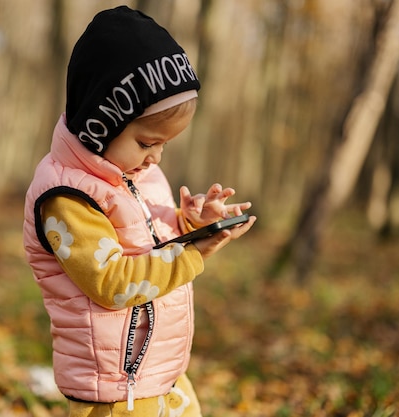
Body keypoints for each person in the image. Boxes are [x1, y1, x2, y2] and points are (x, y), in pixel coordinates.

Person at [23, 6, 256, 416]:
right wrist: (193, 255)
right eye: (148, 143)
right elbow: (112, 282)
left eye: (165, 144)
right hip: (114, 388)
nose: (156, 157)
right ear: (103, 123)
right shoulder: (67, 198)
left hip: (160, 372)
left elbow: (146, 242)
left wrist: (190, 225)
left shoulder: (138, 173)